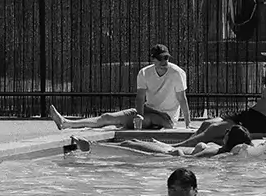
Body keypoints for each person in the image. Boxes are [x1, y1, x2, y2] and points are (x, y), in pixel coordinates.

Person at [49, 43, 190, 134]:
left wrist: (188, 125)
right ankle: (66, 123)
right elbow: (140, 98)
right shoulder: (144, 73)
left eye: (166, 58)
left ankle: (120, 126)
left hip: (166, 118)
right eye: (161, 59)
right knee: (108, 117)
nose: (165, 61)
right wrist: (139, 115)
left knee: (129, 122)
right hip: (148, 110)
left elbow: (182, 100)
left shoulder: (177, 73)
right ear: (153, 60)